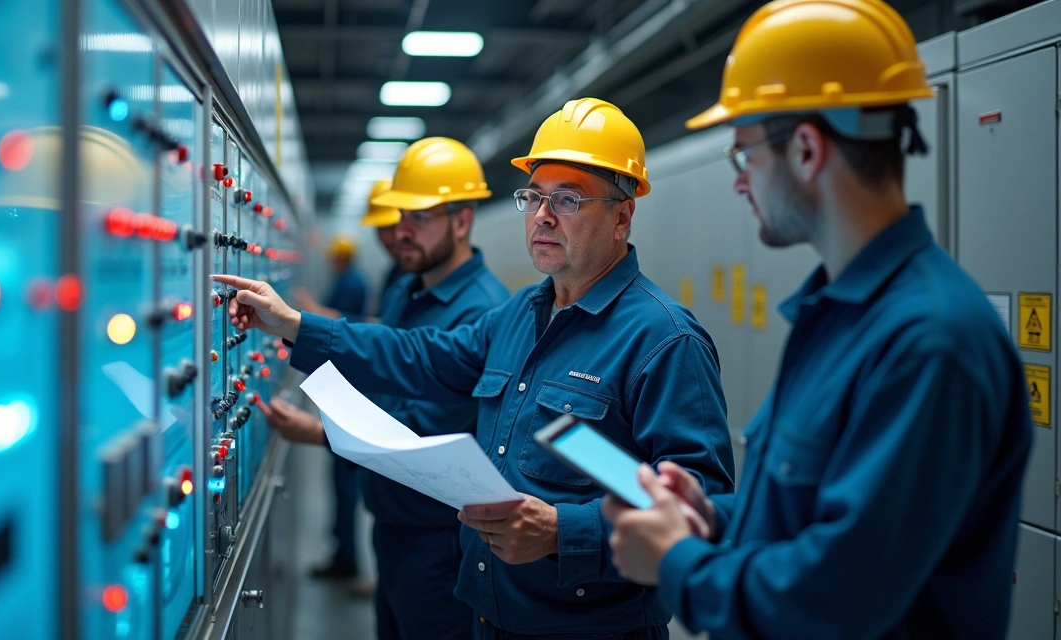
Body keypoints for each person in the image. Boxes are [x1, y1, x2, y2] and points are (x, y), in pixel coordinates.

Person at [215, 98, 735, 639]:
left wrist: (563, 531)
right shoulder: (518, 315)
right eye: (533, 197)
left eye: (568, 199)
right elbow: (419, 355)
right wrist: (296, 325)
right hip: (489, 614)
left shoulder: (664, 340)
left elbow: (702, 504)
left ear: (622, 216)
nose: (543, 216)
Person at [601, 1, 1033, 638]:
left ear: (806, 149)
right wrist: (713, 517)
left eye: (745, 155)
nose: (741, 183)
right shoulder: (834, 315)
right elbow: (812, 513)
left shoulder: (930, 342)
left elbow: (834, 603)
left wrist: (677, 562)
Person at [256, 137, 510, 640]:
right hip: (392, 527)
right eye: (400, 216)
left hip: (440, 540)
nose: (401, 231)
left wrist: (321, 431)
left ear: (462, 221)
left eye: (419, 218)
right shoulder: (406, 288)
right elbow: (388, 366)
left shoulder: (480, 311)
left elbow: (420, 440)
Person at [309, 233, 369, 579]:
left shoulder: (350, 283)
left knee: (345, 481)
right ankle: (344, 552)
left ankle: (346, 557)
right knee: (342, 479)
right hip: (348, 384)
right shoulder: (351, 280)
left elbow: (351, 324)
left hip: (350, 386)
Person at [295, 179, 406, 321]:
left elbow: (386, 331)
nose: (387, 238)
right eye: (380, 228)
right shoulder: (395, 273)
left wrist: (316, 314)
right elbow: (383, 327)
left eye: (392, 227)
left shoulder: (352, 283)